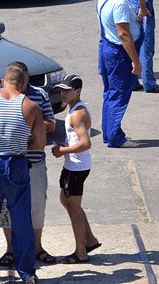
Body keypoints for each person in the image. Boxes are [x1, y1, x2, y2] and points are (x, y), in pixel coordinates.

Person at [0, 64, 46, 284]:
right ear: (24, 83)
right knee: (21, 221)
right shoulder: (31, 106)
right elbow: (39, 144)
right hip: (16, 164)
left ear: (2, 82)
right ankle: (27, 273)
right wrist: (18, 140)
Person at [0, 61, 58, 268]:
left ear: (26, 79)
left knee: (37, 206)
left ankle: (37, 247)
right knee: (8, 207)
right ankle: (11, 249)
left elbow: (50, 123)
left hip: (35, 162)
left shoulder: (39, 95)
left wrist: (28, 121)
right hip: (11, 162)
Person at [51, 75, 102, 263]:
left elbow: (85, 143)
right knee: (66, 201)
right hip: (72, 165)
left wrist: (62, 150)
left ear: (78, 91)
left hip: (77, 167)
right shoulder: (73, 109)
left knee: (74, 207)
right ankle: (89, 240)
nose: (63, 93)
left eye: (67, 90)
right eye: (62, 90)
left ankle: (81, 252)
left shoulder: (77, 113)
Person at [97, 0, 143, 147]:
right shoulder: (119, 3)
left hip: (108, 48)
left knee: (110, 93)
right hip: (119, 53)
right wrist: (135, 61)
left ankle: (110, 134)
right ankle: (115, 138)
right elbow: (124, 34)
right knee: (119, 94)